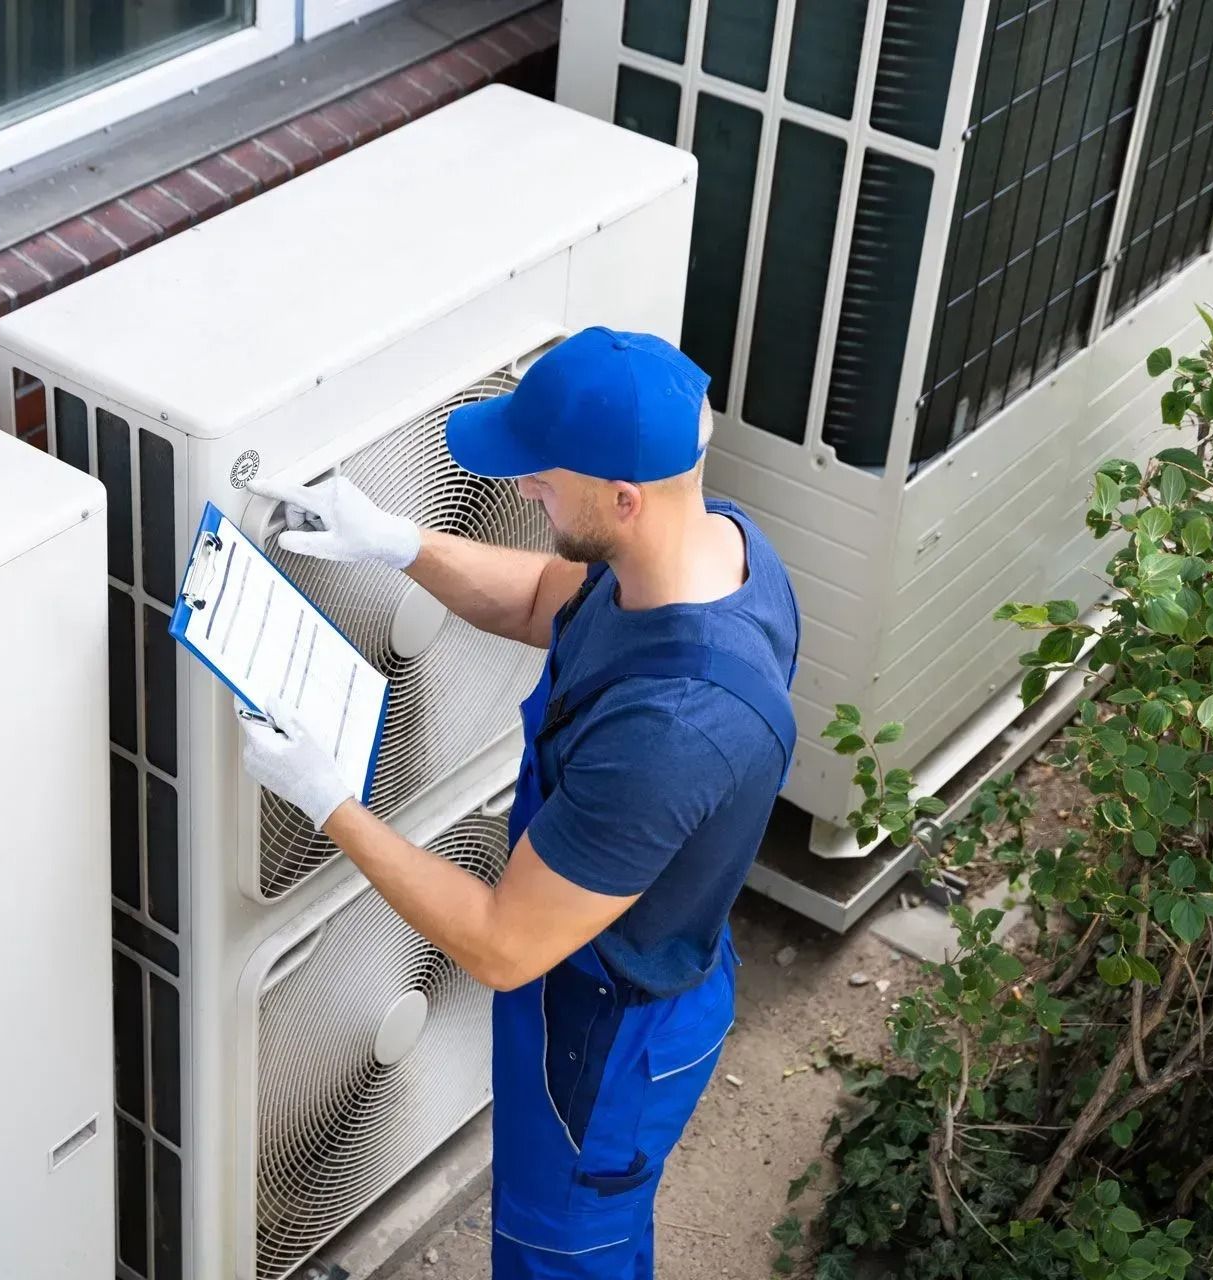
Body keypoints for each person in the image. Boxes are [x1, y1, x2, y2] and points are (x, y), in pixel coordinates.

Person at [241, 327, 799, 1279]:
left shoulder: (673, 728)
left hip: (604, 1032)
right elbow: (548, 595)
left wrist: (330, 802)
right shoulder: (713, 545)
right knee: (598, 1240)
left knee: (563, 1248)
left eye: (541, 478)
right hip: (603, 957)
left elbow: (504, 943)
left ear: (623, 500)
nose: (524, 492)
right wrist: (398, 544)